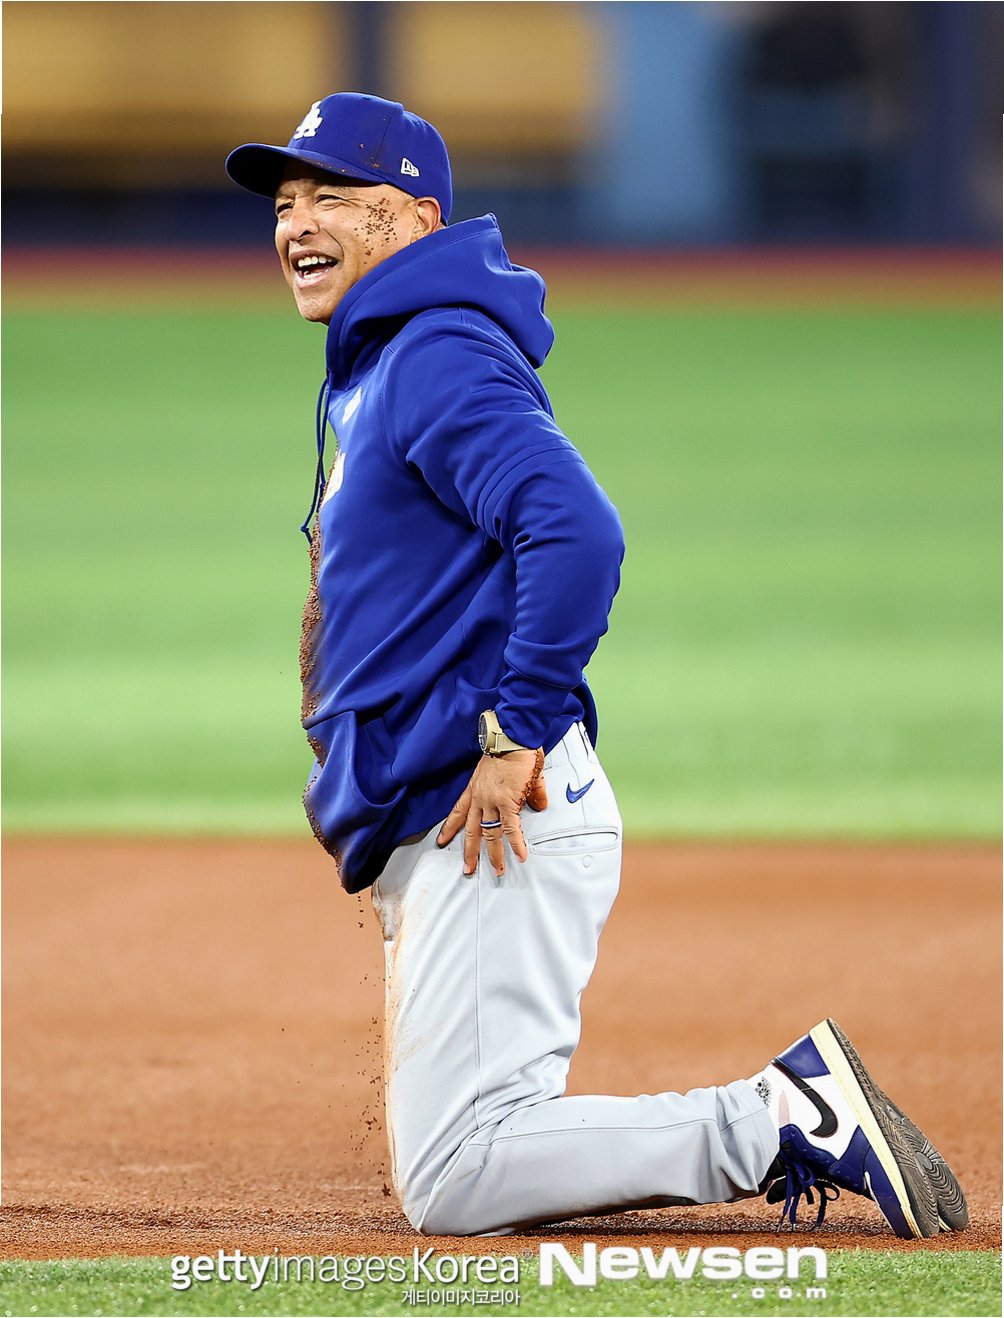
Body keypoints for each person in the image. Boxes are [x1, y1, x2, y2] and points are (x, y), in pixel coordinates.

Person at [225, 93, 968, 1239]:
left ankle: (779, 1115)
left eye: (330, 195)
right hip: (456, 814)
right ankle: (781, 1112)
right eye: (283, 202)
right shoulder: (385, 363)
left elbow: (576, 530)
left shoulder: (433, 356)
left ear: (414, 216)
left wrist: (511, 730)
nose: (296, 223)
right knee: (459, 1161)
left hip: (493, 811)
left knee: (460, 1174)